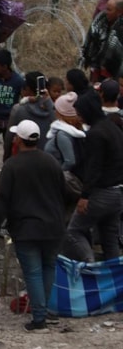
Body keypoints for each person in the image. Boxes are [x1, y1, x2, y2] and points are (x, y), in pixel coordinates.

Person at [0, 119, 66, 331]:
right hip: (53, 227)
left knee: (33, 273)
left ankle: (39, 318)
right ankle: (45, 311)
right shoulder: (51, 162)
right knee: (48, 268)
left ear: (19, 140)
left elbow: (1, 203)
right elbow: (64, 193)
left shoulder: (12, 166)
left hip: (27, 229)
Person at [63, 93, 123, 261]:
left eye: (80, 114)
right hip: (117, 194)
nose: (79, 118)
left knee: (73, 231)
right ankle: (114, 273)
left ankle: (89, 265)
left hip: (100, 193)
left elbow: (93, 168)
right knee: (109, 238)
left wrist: (85, 196)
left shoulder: (95, 134)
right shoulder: (113, 128)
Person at [3, 72, 55, 161]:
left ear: (28, 89)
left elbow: (9, 137)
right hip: (47, 159)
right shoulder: (53, 110)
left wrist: (6, 157)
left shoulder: (18, 110)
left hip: (23, 159)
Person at [0, 49, 25, 155]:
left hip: (9, 122)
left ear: (5, 67)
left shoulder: (18, 81)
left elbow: (24, 100)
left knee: (9, 150)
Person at [81, 0, 123, 82]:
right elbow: (92, 44)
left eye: (109, 10)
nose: (106, 12)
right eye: (106, 9)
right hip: (97, 67)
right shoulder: (100, 22)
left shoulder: (121, 29)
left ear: (119, 12)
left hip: (116, 72)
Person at [44, 92, 85, 175]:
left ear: (60, 113)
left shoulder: (62, 134)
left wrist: (58, 176)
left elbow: (70, 162)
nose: (54, 111)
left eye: (55, 108)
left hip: (60, 178)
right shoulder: (77, 130)